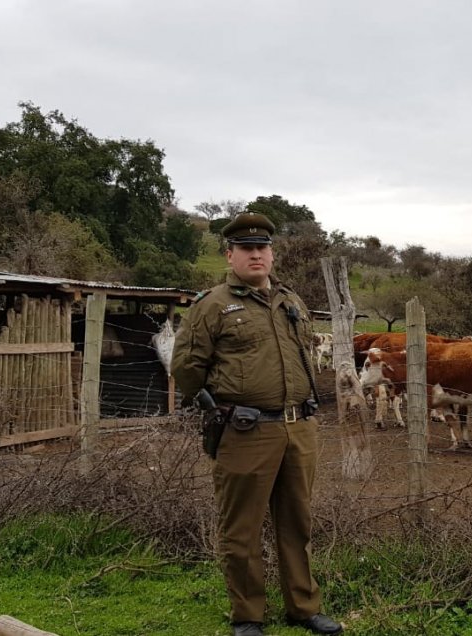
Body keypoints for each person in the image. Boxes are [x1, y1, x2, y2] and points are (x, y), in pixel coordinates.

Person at [172, 213, 342, 636]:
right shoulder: (211, 305)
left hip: (298, 429)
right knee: (242, 528)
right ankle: (248, 616)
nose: (255, 254)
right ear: (230, 255)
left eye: (262, 247)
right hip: (245, 430)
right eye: (246, 248)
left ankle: (303, 607)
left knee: (296, 522)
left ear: (271, 253)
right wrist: (218, 407)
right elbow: (187, 367)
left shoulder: (291, 301)